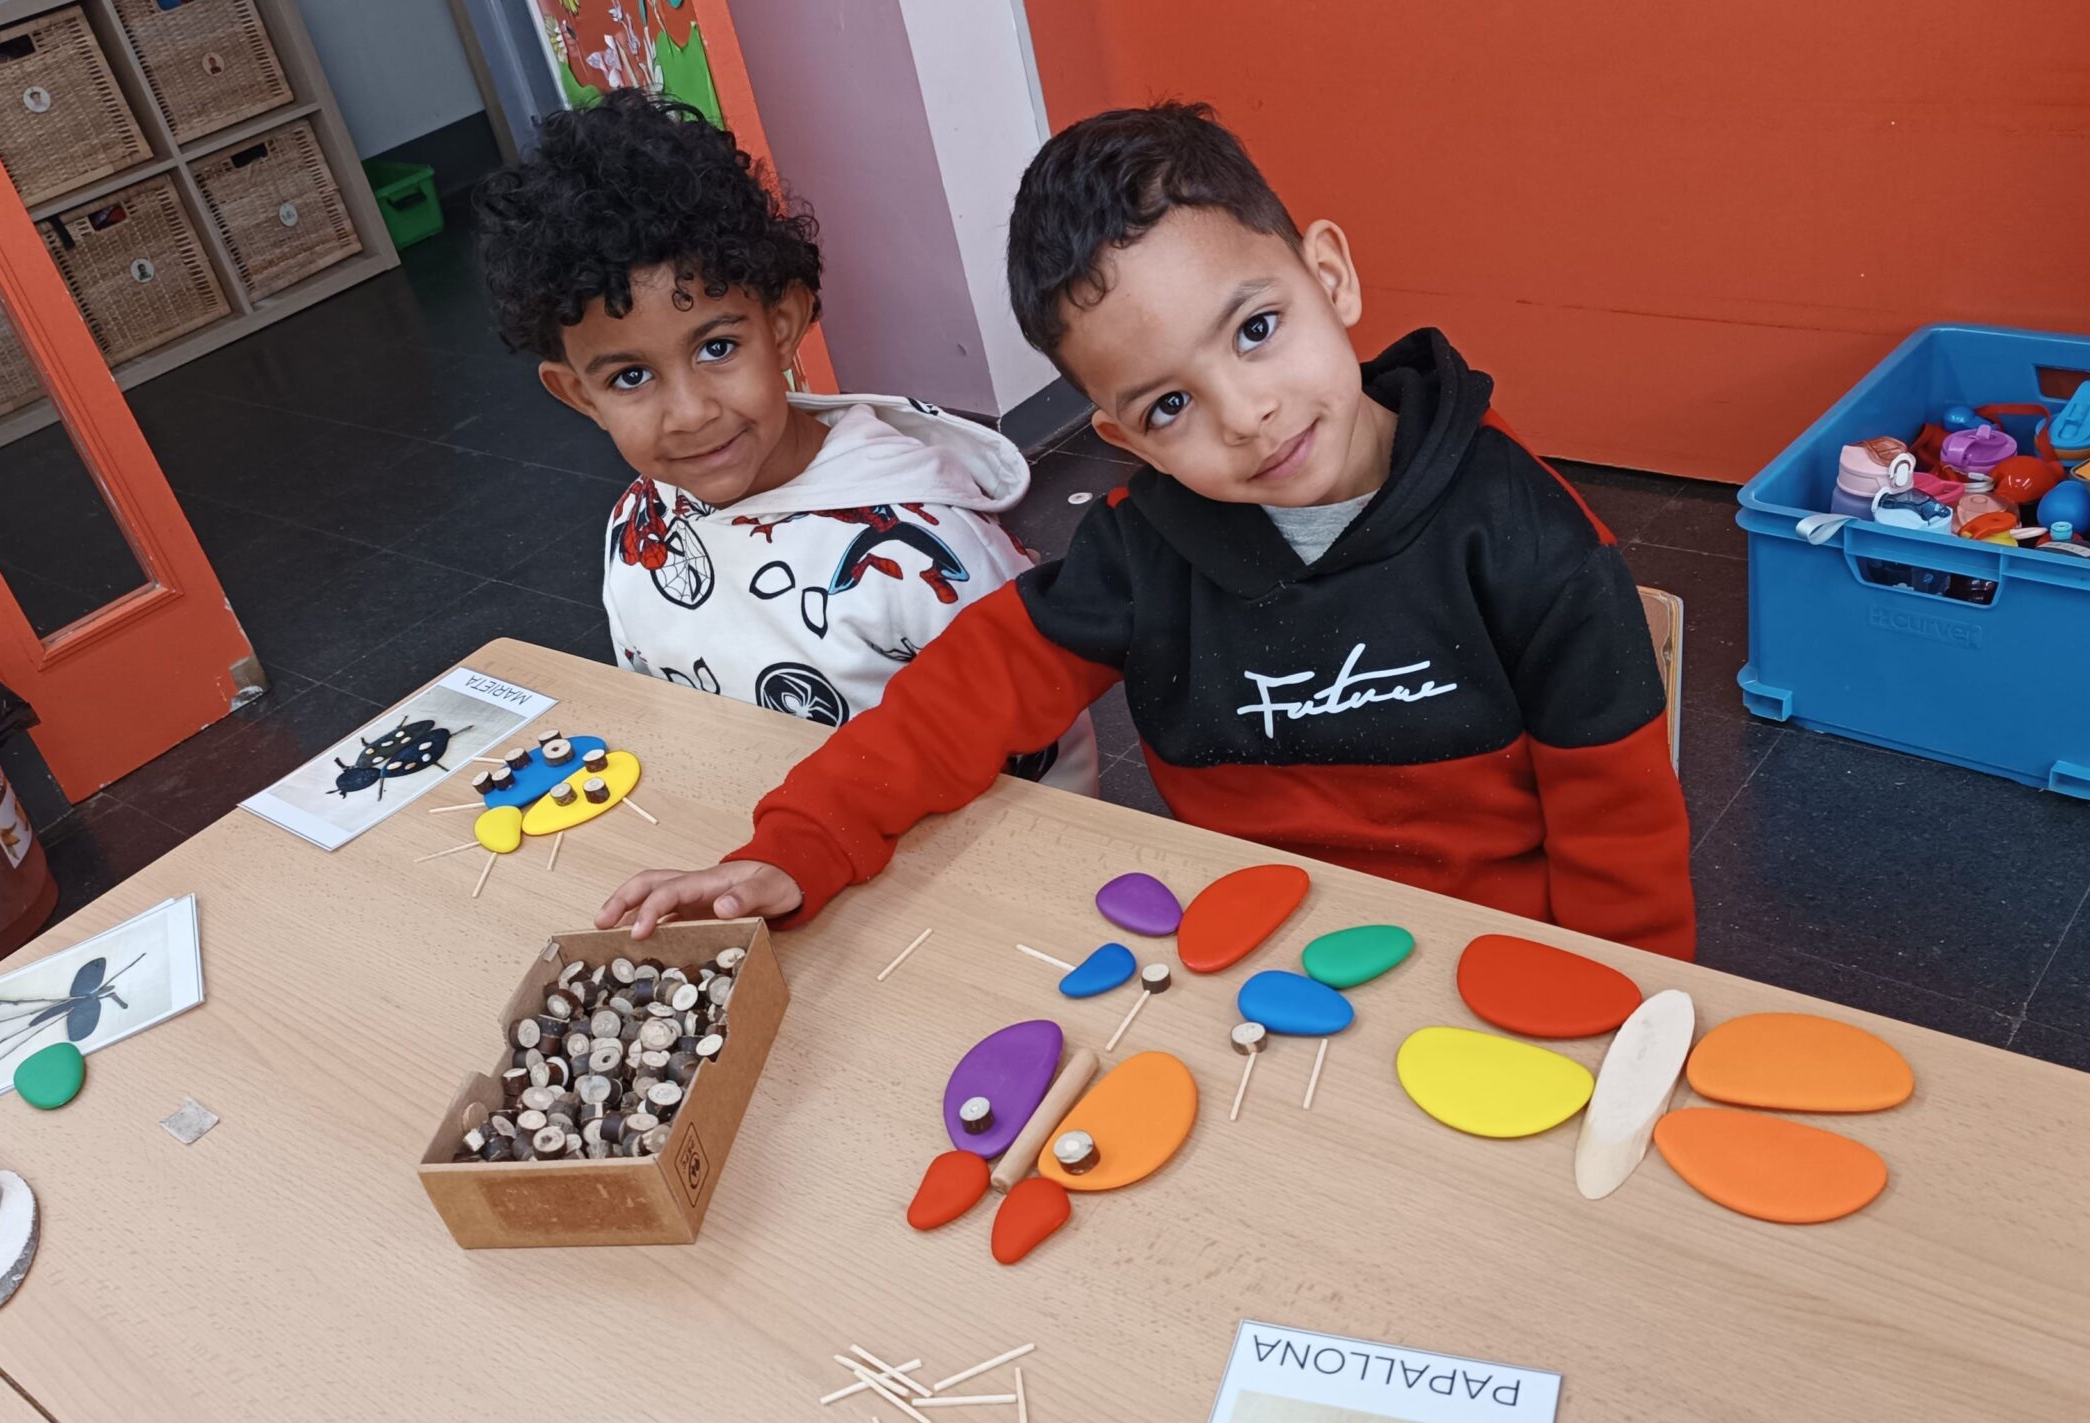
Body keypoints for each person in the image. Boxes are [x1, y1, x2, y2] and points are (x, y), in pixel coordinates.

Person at [601, 102, 1694, 959]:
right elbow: (952, 701)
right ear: (1125, 438)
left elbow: (1623, 837)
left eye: (1256, 329)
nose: (1246, 414)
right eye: (1171, 405)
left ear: (1330, 277)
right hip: (1252, 950)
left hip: (1493, 966)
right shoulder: (1143, 549)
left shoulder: (1530, 538)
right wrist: (799, 846)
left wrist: (1621, 1016)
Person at [475, 91, 1096, 790]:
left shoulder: (930, 553)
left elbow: (1049, 764)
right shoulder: (636, 528)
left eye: (715, 347)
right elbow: (661, 711)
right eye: (630, 377)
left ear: (781, 325)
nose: (689, 413)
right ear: (579, 395)